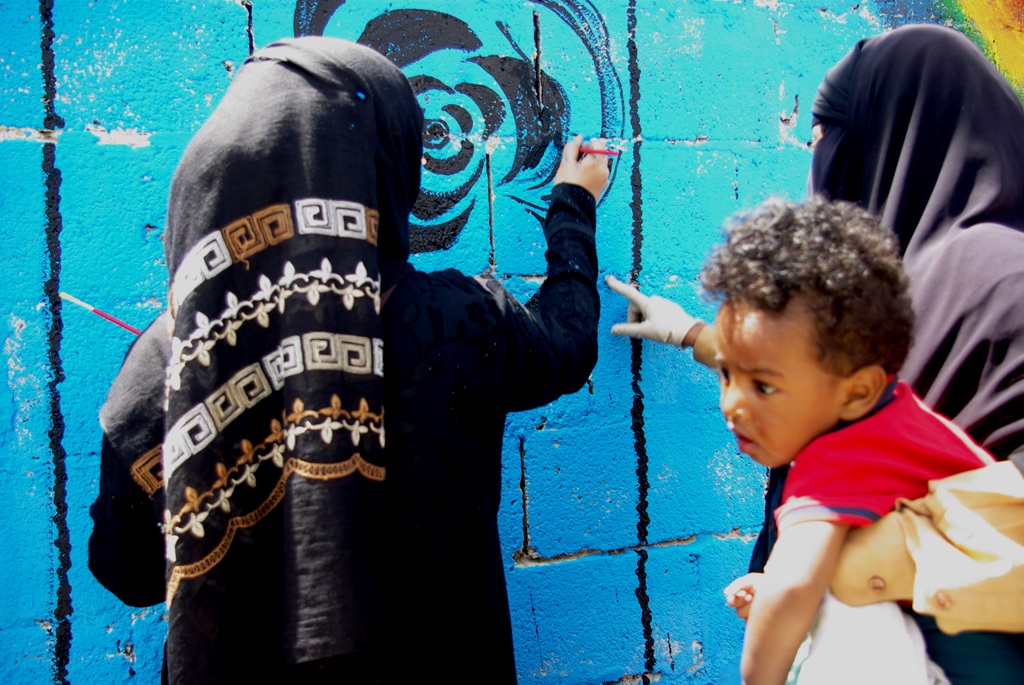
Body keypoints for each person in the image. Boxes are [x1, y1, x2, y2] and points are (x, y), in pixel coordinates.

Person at [90, 36, 610, 684]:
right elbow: (568, 342)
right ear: (386, 161)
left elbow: (128, 570)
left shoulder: (168, 364)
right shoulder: (460, 319)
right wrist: (573, 203)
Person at [608, 24, 1024, 683]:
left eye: (829, 134)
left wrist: (849, 563)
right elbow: (830, 380)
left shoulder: (1004, 278)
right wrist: (691, 335)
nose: (820, 158)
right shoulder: (886, 278)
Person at [703, 196, 990, 685]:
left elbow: (793, 588)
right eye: (727, 374)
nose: (733, 404)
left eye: (763, 386)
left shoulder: (837, 458)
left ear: (857, 392)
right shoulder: (899, 416)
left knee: (846, 606)